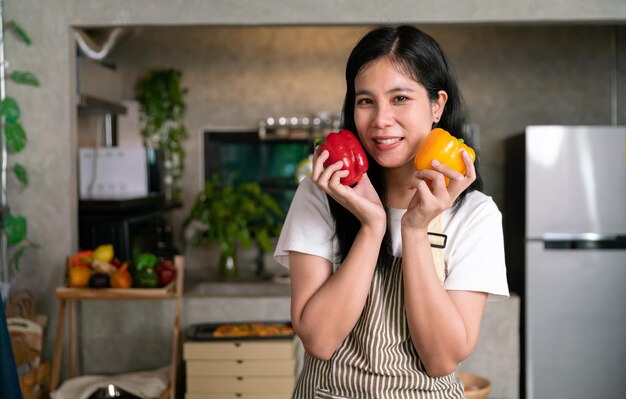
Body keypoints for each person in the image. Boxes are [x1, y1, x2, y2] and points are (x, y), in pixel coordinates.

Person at [274, 25, 509, 399]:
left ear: (437, 105)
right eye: (365, 101)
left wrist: (415, 231)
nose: (381, 119)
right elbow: (319, 340)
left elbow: (442, 358)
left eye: (400, 98)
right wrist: (372, 226)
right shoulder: (320, 195)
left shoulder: (475, 214)